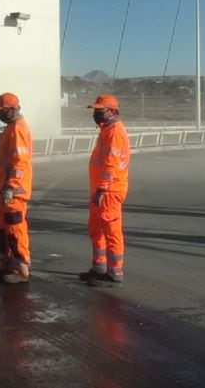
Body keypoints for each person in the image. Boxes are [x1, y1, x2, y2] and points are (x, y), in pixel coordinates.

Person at [80, 94, 130, 286]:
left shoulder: (115, 131)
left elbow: (111, 163)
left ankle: (114, 272)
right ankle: (99, 267)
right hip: (101, 189)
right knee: (96, 229)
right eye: (95, 110)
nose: (96, 114)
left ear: (112, 111)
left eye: (100, 110)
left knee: (111, 231)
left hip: (109, 190)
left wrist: (102, 188)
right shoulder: (107, 129)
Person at [0, 92, 33, 285]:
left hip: (14, 191)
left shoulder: (18, 129)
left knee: (15, 228)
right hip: (5, 189)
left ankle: (21, 266)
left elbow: (20, 161)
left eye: (2, 110)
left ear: (12, 110)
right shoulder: (11, 128)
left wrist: (12, 186)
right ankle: (6, 260)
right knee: (3, 227)